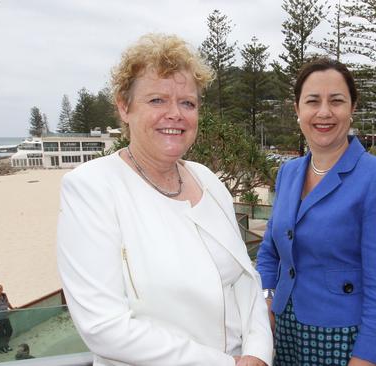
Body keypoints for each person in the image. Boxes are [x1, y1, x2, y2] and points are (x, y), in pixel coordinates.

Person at [56, 33, 272, 366]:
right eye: (157, 100)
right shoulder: (92, 188)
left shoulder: (208, 181)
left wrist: (258, 351)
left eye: (187, 103)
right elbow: (104, 327)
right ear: (124, 107)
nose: (175, 114)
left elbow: (246, 277)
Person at [256, 58, 376, 366]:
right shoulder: (288, 173)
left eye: (336, 101)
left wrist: (366, 358)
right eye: (312, 101)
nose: (324, 112)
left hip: (346, 340)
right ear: (297, 110)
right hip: (285, 334)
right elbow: (270, 250)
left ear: (352, 108)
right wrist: (267, 298)